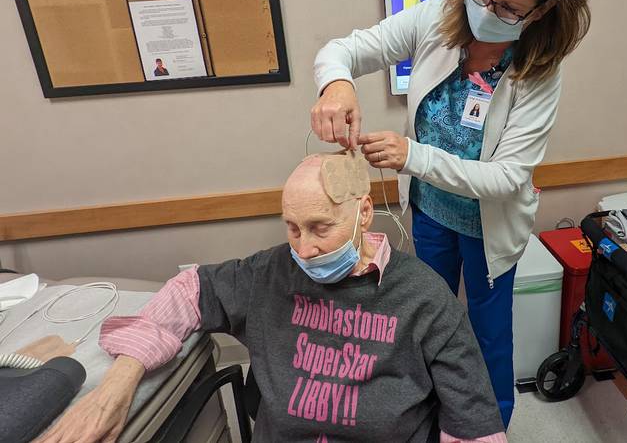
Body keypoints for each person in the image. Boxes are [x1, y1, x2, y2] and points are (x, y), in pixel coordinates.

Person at [311, 0, 590, 428]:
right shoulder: (437, 19)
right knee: (427, 324)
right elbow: (343, 50)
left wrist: (413, 156)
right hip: (431, 213)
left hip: (489, 228)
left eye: (508, 7)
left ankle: (488, 430)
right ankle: (433, 420)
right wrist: (338, 85)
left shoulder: (539, 72)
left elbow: (507, 177)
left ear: (542, 9)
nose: (487, 9)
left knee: (487, 341)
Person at [37, 154, 507, 443]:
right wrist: (120, 379)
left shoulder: (425, 298)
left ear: (364, 213)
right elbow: (189, 290)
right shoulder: (268, 272)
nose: (303, 248)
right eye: (292, 228)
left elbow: (473, 423)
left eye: (321, 227)